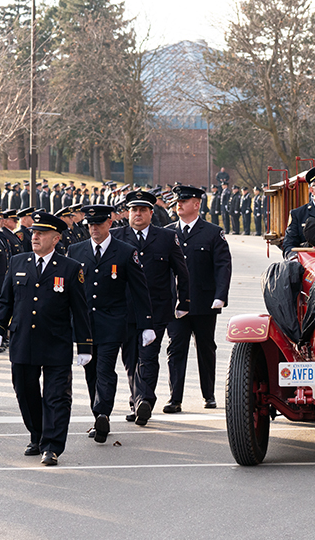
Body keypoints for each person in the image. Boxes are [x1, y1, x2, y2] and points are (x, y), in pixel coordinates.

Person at [0, 211, 93, 466]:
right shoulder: (18, 263)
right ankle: (37, 435)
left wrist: (84, 345)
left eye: (41, 234)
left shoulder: (70, 268)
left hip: (56, 341)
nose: (34, 237)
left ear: (56, 238)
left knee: (57, 396)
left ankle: (52, 445)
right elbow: (5, 301)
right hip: (23, 341)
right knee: (25, 393)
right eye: (34, 232)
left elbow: (80, 309)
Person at [68, 205, 154, 444]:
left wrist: (147, 324)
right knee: (90, 371)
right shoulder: (75, 251)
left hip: (113, 322)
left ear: (109, 224)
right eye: (90, 224)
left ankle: (102, 413)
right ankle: (98, 413)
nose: (94, 228)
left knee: (105, 368)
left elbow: (140, 290)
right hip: (84, 324)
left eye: (98, 224)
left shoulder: (126, 252)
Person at [110, 190, 189, 426]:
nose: (138, 214)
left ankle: (145, 399)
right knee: (130, 358)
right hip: (123, 309)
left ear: (151, 213)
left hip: (156, 308)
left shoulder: (166, 237)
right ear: (128, 213)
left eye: (143, 210)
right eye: (134, 210)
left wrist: (184, 302)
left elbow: (181, 271)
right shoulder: (116, 237)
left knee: (148, 355)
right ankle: (136, 401)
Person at [164, 185, 232, 412]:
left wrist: (220, 296)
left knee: (205, 348)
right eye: (177, 201)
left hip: (203, 302)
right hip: (175, 304)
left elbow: (222, 266)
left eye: (184, 200)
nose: (178, 204)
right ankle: (175, 398)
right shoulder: (167, 232)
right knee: (176, 349)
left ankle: (209, 394)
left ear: (197, 204)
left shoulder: (212, 232)